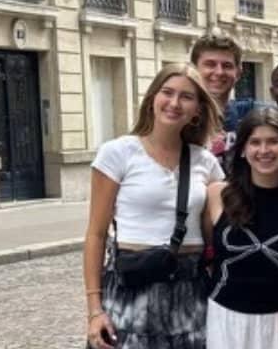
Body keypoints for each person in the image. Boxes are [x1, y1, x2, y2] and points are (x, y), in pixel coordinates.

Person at [83, 64, 226, 349]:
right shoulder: (118, 153)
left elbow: (217, 232)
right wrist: (95, 310)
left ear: (197, 109)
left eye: (186, 97)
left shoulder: (205, 162)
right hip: (132, 290)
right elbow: (96, 235)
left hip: (190, 293)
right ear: (152, 99)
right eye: (167, 92)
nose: (174, 103)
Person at [202, 108, 278, 349]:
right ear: (242, 150)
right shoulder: (218, 194)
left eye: (273, 141)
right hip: (225, 319)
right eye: (255, 142)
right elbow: (209, 253)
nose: (264, 151)